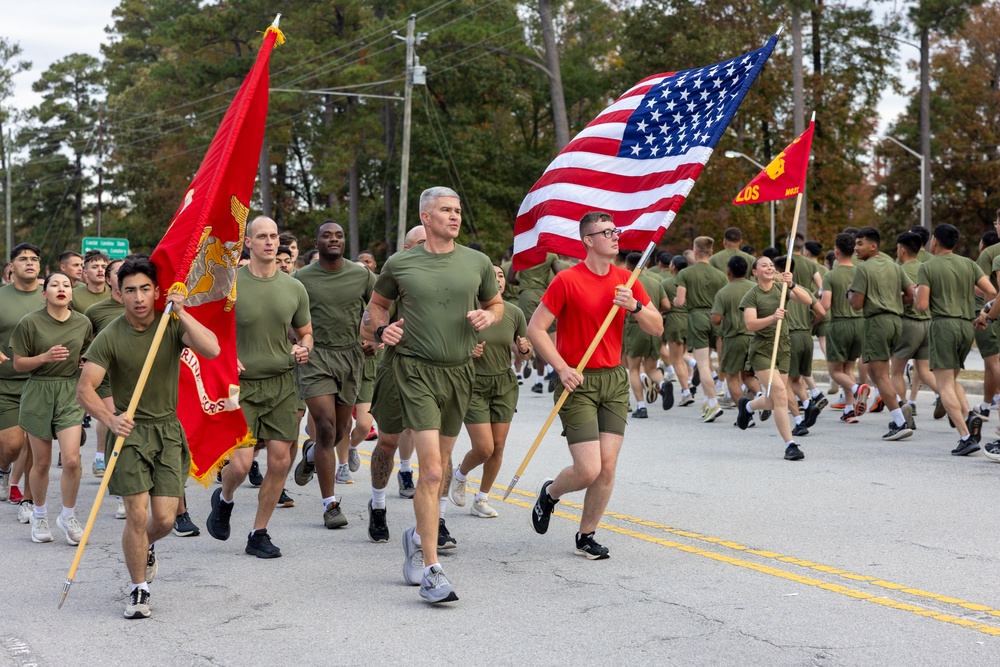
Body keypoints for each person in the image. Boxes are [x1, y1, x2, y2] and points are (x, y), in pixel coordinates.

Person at [361, 186, 502, 604]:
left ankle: (416, 534)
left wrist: (488, 316)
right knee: (434, 471)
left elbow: (496, 304)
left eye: (458, 210)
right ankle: (431, 569)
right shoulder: (401, 262)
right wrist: (383, 327)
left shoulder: (476, 262)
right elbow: (378, 304)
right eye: (446, 210)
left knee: (437, 475)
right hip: (415, 371)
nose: (455, 217)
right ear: (426, 216)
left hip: (459, 374)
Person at [78, 255, 219, 619]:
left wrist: (181, 311)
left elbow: (212, 348)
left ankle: (144, 547)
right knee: (137, 517)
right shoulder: (110, 335)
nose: (139, 297)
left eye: (145, 289)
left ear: (156, 291)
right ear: (119, 295)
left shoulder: (168, 326)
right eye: (130, 291)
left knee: (165, 520)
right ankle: (139, 588)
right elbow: (85, 389)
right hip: (130, 434)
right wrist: (110, 418)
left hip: (168, 431)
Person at [529, 212, 662, 560]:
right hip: (578, 381)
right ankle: (551, 493)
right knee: (588, 469)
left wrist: (633, 306)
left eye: (615, 231)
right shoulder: (567, 281)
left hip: (614, 380)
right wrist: (561, 367)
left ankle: (586, 535)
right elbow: (536, 329)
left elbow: (657, 326)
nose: (615, 237)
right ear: (588, 240)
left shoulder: (626, 279)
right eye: (605, 232)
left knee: (607, 466)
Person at [206, 216, 313, 558]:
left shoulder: (294, 287)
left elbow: (306, 332)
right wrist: (223, 356)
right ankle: (224, 500)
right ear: (247, 243)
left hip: (282, 383)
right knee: (239, 465)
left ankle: (258, 533)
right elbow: (208, 330)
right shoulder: (230, 283)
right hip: (240, 386)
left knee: (280, 462)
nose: (270, 242)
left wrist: (304, 347)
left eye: (274, 236)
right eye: (262, 236)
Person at [292, 220, 374, 528]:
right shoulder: (301, 278)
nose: (334, 239)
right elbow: (291, 318)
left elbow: (380, 307)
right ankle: (330, 505)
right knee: (325, 428)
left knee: (341, 431)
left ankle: (312, 454)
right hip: (315, 357)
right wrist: (297, 341)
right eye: (326, 235)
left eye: (339, 235)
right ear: (317, 241)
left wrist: (374, 337)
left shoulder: (362, 275)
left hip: (350, 357)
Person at [10, 272, 91, 544]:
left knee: (72, 460)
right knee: (42, 462)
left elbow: (89, 354)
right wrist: (44, 357)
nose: (61, 289)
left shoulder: (83, 323)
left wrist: (84, 363)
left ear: (71, 293)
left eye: (66, 285)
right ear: (44, 294)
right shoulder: (29, 322)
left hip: (69, 390)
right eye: (54, 285)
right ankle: (40, 514)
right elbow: (18, 363)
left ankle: (67, 515)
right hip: (39, 390)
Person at [359, 224, 425, 545]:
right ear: (405, 250)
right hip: (396, 371)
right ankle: (379, 504)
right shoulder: (395, 278)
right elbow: (367, 324)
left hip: (434, 374)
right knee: (387, 443)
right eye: (416, 245)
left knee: (437, 449)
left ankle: (435, 521)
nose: (424, 249)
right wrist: (381, 333)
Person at [449, 264, 531, 518]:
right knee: (483, 448)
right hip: (473, 384)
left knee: (498, 446)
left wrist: (525, 349)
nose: (497, 280)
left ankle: (481, 499)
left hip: (504, 384)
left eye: (501, 275)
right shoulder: (466, 312)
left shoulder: (514, 312)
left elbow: (524, 354)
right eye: (491, 276)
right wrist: (467, 352)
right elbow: (448, 347)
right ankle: (460, 475)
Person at [919, 224, 995, 455]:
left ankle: (965, 436)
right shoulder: (969, 264)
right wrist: (984, 315)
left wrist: (915, 296)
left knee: (943, 385)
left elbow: (922, 306)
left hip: (943, 325)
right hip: (966, 326)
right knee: (951, 381)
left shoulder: (928, 266)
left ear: (934, 241)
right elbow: (991, 291)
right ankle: (969, 415)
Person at [734, 256, 814, 460]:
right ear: (755, 272)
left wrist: (792, 284)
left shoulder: (782, 288)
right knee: (780, 394)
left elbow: (807, 300)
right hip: (762, 349)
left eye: (771, 265)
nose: (769, 268)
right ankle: (790, 445)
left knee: (774, 400)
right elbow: (750, 324)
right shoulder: (752, 295)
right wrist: (772, 317)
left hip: (783, 347)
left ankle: (749, 406)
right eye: (764, 265)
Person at [848, 227, 915, 441]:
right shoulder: (894, 266)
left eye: (860, 244)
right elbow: (911, 295)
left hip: (877, 322)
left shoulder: (863, 269)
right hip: (896, 321)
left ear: (873, 245)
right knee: (886, 372)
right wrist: (895, 301)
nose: (856, 248)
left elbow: (857, 304)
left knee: (879, 375)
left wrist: (849, 292)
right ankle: (901, 408)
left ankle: (900, 422)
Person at [0, 244, 42, 520]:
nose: (29, 262)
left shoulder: (50, 296)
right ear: (11, 267)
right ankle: (3, 471)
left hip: (41, 382)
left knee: (35, 445)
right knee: (12, 445)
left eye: (34, 259)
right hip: (6, 384)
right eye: (22, 259)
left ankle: (29, 500)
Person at [674, 236, 727, 422]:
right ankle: (707, 399)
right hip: (715, 318)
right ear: (711, 251)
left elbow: (680, 302)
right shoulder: (720, 275)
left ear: (695, 251)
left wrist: (675, 301)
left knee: (703, 364)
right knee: (711, 360)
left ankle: (712, 403)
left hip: (696, 317)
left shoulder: (685, 273)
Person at [821, 233, 868, 423]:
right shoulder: (861, 271)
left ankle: (857, 389)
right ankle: (850, 409)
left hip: (840, 324)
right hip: (860, 324)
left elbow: (825, 305)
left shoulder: (831, 275)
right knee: (848, 367)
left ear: (836, 251)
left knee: (835, 371)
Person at [890, 232, 938, 418]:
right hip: (928, 323)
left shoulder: (898, 270)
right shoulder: (927, 267)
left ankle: (903, 411)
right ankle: (944, 395)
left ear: (901, 250)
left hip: (909, 323)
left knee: (896, 371)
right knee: (925, 372)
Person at [710, 256, 759, 425]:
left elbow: (715, 318)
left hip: (733, 338)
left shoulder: (724, 292)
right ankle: (760, 396)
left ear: (728, 271)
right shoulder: (755, 288)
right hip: (755, 337)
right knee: (748, 375)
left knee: (732, 377)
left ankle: (745, 414)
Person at [623, 252, 669, 418]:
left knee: (633, 369)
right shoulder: (655, 281)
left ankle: (641, 406)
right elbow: (666, 304)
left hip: (635, 327)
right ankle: (663, 383)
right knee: (651, 367)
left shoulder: (627, 282)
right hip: (654, 327)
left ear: (628, 266)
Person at [661, 256, 692, 407]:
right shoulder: (691, 281)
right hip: (691, 320)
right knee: (682, 356)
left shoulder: (666, 283)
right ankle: (687, 385)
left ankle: (686, 391)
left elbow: (663, 304)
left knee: (677, 359)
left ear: (672, 266)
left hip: (675, 320)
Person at [72, 250, 110, 314]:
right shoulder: (73, 295)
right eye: (95, 267)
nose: (100, 270)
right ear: (85, 272)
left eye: (104, 267)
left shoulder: (114, 294)